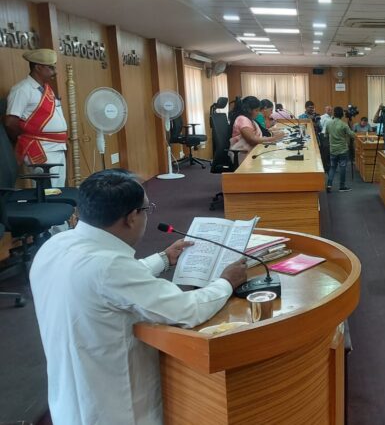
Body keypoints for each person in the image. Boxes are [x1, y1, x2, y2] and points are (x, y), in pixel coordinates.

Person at [30, 169, 247, 424]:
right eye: (146, 209)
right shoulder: (110, 267)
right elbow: (186, 310)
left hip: (68, 397)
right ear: (132, 217)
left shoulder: (56, 245)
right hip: (114, 406)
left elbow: (110, 284)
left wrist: (163, 259)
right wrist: (226, 282)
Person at [4, 49, 68, 187]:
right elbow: (10, 122)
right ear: (38, 67)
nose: (55, 72)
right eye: (51, 68)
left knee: (58, 191)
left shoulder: (46, 89)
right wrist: (24, 138)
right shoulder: (22, 89)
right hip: (40, 148)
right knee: (46, 190)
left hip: (57, 147)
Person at [325, 106, 355, 192]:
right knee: (342, 168)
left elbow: (326, 135)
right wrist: (351, 125)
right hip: (342, 150)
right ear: (342, 115)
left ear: (334, 114)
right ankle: (342, 186)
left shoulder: (328, 123)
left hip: (333, 149)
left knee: (332, 167)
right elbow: (352, 135)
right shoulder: (344, 125)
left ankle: (329, 185)